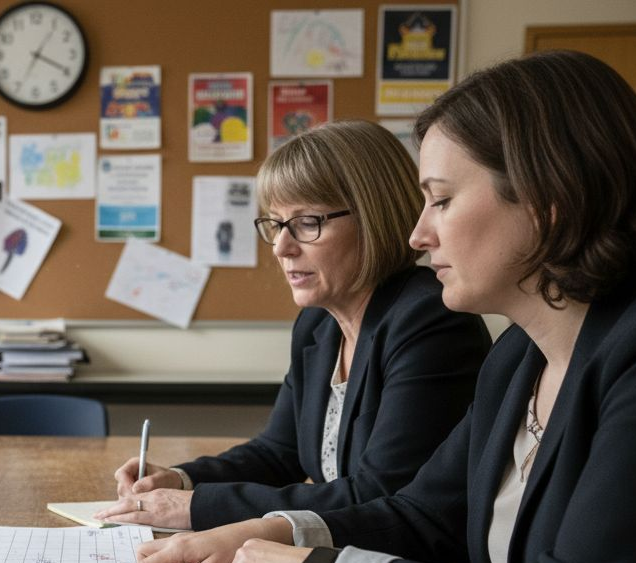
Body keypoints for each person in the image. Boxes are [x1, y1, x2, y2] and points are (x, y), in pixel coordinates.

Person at [110, 51, 636, 563]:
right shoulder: (518, 356)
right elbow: (424, 515)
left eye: (443, 199)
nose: (420, 235)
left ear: (552, 198)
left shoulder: (635, 355)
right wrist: (267, 532)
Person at [99, 120, 491, 531]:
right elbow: (277, 452)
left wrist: (197, 507)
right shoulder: (318, 325)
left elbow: (378, 493)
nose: (282, 248)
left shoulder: (430, 321)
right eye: (276, 223)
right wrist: (181, 480)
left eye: (307, 222)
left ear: (374, 217)